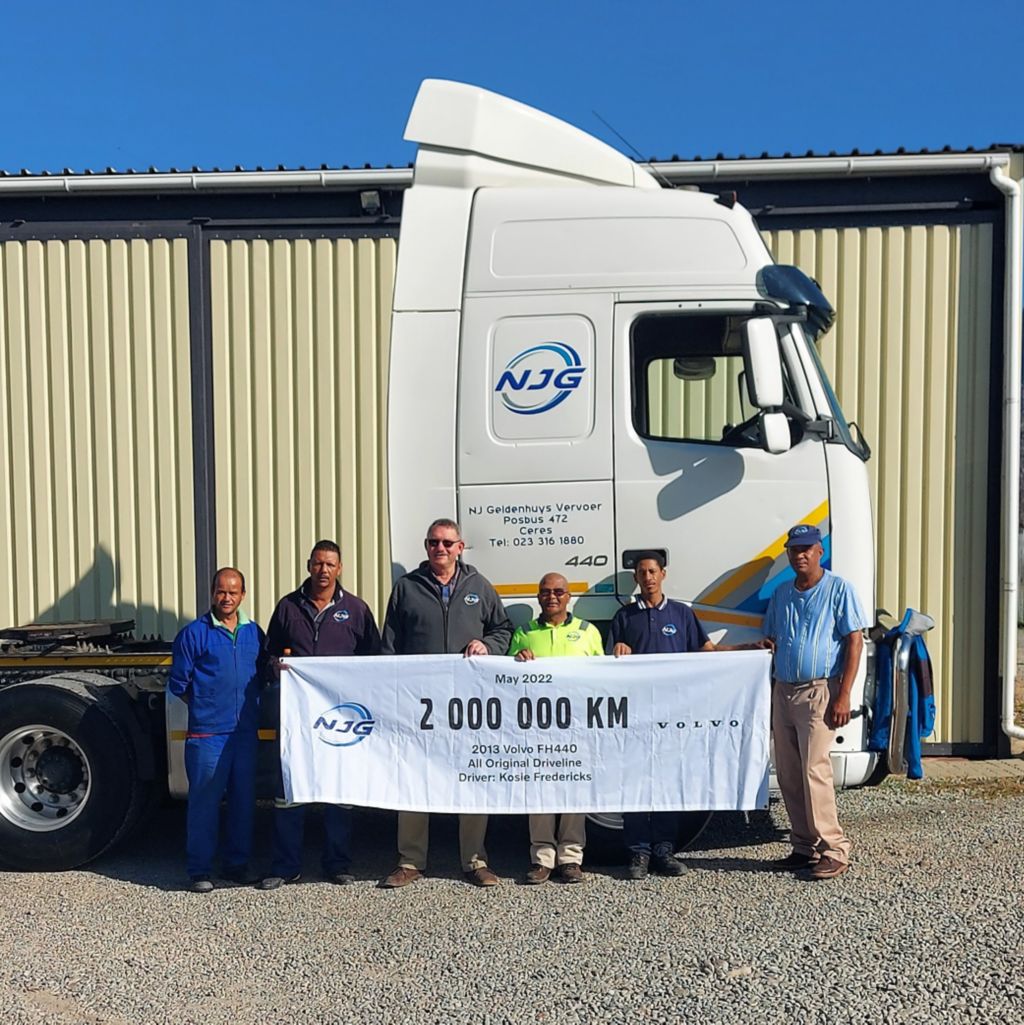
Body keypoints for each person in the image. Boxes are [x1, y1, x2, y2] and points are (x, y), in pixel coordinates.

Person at [608, 550, 758, 880]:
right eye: (641, 572)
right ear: (635, 578)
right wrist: (618, 650)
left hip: (671, 716)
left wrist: (748, 652)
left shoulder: (681, 614)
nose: (647, 577)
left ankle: (664, 851)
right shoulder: (624, 617)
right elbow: (608, 663)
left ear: (663, 574)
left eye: (652, 571)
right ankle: (638, 854)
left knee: (667, 784)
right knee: (634, 784)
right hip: (635, 717)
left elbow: (707, 654)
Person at [380, 518, 512, 888]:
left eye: (447, 543)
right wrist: (393, 693)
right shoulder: (406, 588)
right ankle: (410, 860)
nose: (440, 548)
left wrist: (488, 645)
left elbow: (503, 629)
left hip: (466, 703)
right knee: (413, 777)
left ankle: (474, 860)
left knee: (471, 776)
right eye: (433, 542)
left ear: (460, 547)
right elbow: (390, 643)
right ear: (426, 547)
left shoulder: (479, 587)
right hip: (418, 702)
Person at [259, 540, 381, 890]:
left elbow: (374, 662)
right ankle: (285, 866)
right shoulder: (287, 607)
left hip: (341, 721)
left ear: (339, 568)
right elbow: (266, 655)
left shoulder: (356, 610)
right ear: (309, 566)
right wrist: (275, 667)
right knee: (289, 791)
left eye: (330, 564)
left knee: (338, 792)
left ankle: (337, 864)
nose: (323, 570)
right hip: (296, 719)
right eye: (318, 564)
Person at [761, 524, 867, 881]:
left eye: (807, 548)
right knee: (789, 772)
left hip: (820, 689)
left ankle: (834, 849)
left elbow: (854, 641)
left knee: (814, 770)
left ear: (820, 551)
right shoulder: (781, 595)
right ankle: (803, 845)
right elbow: (773, 636)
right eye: (794, 549)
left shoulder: (838, 589)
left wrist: (844, 694)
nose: (800, 554)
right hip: (784, 689)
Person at [168, 568, 264, 893]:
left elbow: (263, 676)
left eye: (233, 592)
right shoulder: (194, 633)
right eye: (221, 592)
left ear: (243, 595)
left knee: (243, 802)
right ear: (212, 593)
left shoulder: (255, 633)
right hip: (208, 736)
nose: (227, 598)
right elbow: (179, 684)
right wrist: (206, 708)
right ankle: (199, 870)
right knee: (204, 803)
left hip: (245, 734)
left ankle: (236, 865)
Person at [509, 572, 604, 884]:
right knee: (540, 791)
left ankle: (571, 858)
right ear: (538, 597)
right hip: (537, 726)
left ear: (568, 596)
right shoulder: (523, 632)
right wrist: (517, 659)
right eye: (546, 592)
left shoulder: (588, 632)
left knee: (574, 789)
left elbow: (604, 678)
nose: (552, 597)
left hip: (576, 724)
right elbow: (506, 677)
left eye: (559, 592)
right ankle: (542, 859)